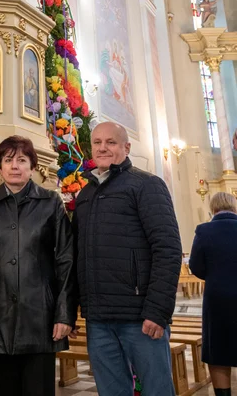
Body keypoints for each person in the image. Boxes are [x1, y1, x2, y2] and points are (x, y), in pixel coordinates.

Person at [72, 121, 182, 396]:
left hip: (140, 318)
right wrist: (72, 309)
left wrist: (157, 311)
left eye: (111, 142)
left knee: (156, 390)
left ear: (126, 147)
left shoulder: (147, 185)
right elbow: (76, 257)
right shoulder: (85, 196)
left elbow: (168, 249)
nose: (103, 148)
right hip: (98, 319)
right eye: (97, 142)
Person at [0, 135, 75, 396]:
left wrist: (64, 314)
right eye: (8, 160)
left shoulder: (51, 203)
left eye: (22, 160)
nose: (15, 166)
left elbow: (66, 259)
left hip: (40, 317)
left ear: (33, 166)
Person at [189, 191, 237, 396]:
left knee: (219, 351)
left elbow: (196, 266)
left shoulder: (204, 231)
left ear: (213, 208)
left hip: (217, 300)